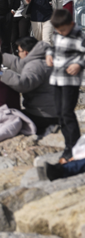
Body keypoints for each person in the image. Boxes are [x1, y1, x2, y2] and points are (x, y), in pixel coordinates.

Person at [0, 37, 57, 135]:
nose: (18, 54)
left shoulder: (36, 65)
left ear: (26, 53)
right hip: (52, 112)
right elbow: (19, 64)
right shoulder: (43, 60)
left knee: (0, 118)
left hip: (43, 116)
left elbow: (23, 84)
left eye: (19, 51)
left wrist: (0, 74)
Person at [46, 8, 84, 162]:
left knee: (67, 113)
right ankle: (68, 145)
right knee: (60, 113)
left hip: (70, 81)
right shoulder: (57, 34)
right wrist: (49, 54)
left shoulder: (78, 36)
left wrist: (79, 65)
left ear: (71, 24)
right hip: (56, 79)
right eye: (58, 30)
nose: (61, 33)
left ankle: (74, 146)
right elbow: (53, 47)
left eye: (63, 30)